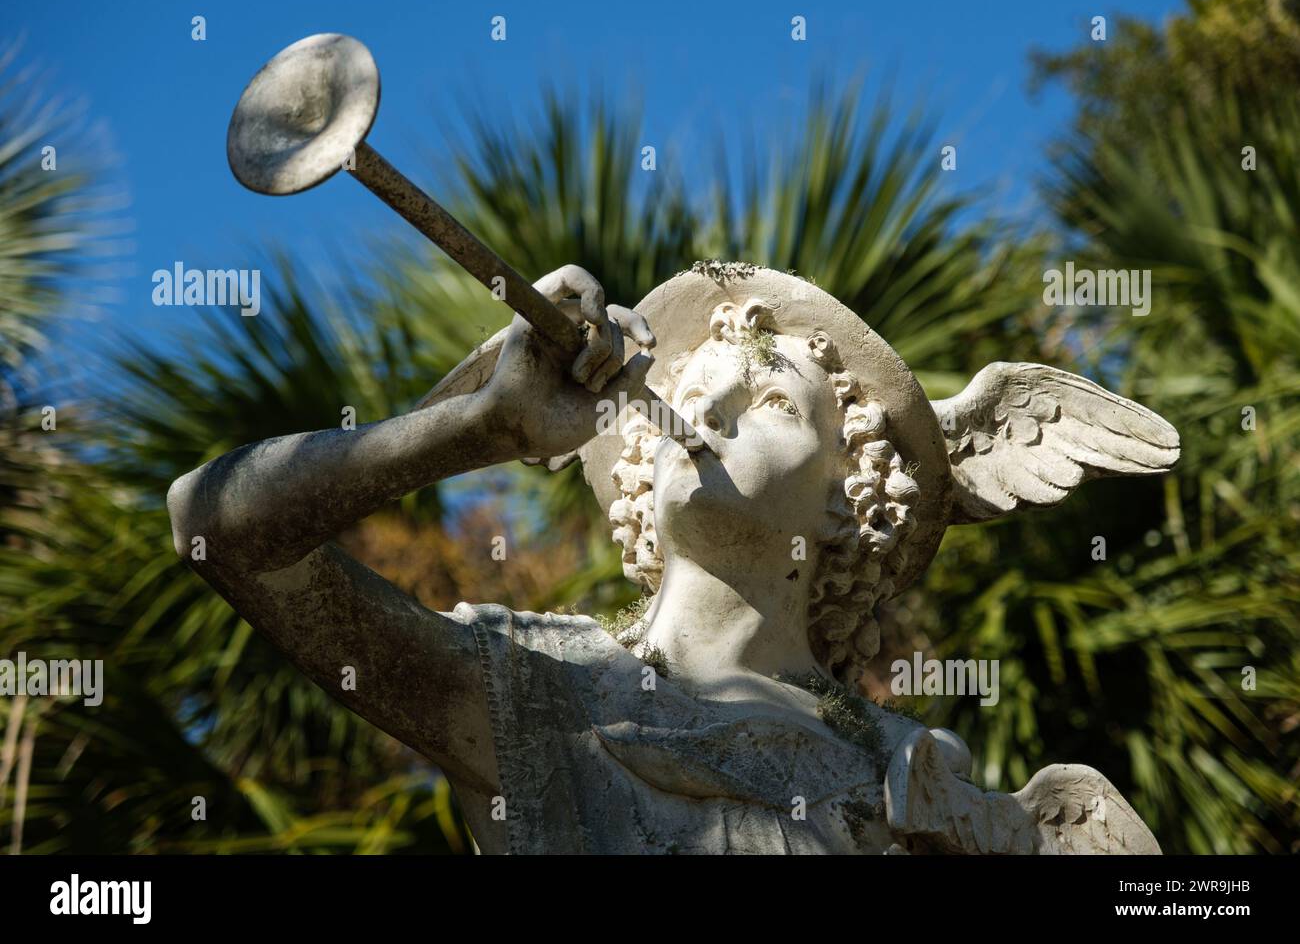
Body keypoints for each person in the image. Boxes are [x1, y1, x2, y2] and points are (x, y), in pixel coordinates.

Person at [168, 261, 1176, 854]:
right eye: (694, 390)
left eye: (775, 402)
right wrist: (477, 430)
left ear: (845, 500)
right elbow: (215, 526)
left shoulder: (919, 786)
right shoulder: (530, 693)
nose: (709, 408)